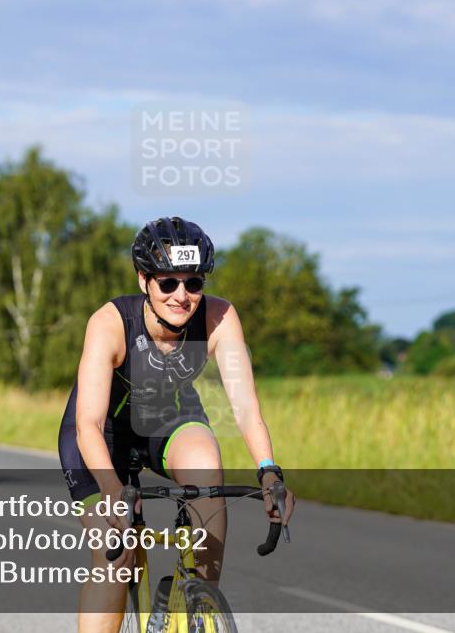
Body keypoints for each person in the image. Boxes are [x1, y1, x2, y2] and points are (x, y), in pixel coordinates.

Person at [58, 216, 296, 633]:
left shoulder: (220, 317)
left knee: (208, 473)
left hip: (170, 420)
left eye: (194, 283)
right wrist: (114, 492)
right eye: (168, 283)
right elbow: (88, 425)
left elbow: (245, 408)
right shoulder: (110, 323)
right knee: (117, 556)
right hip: (101, 438)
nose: (182, 296)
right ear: (144, 280)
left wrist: (269, 471)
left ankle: (195, 605)